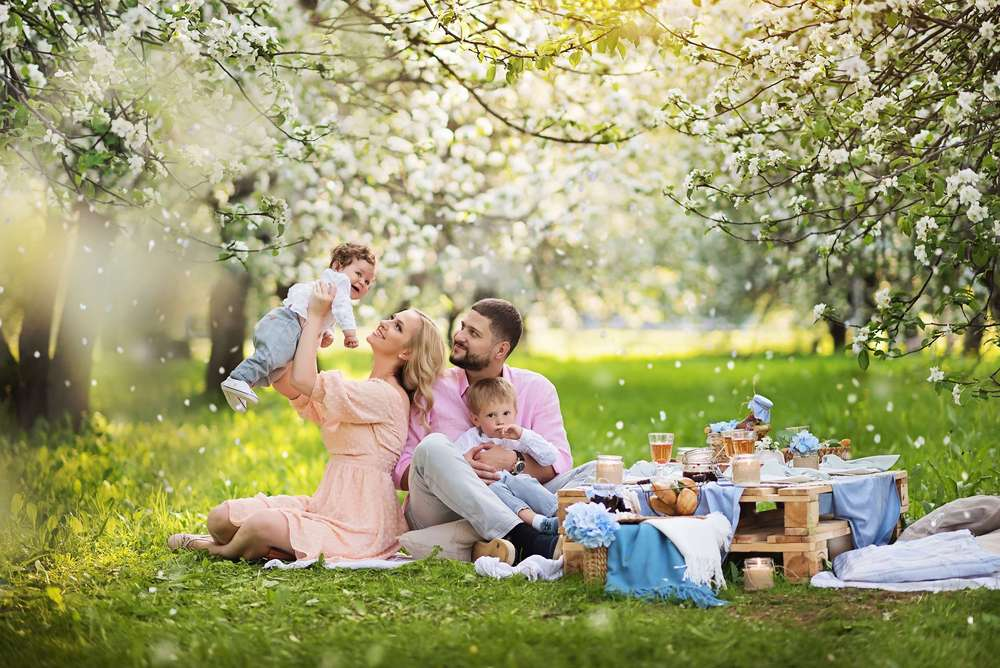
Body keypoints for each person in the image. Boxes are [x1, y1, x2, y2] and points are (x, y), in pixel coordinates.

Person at [168, 281, 446, 562]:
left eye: (398, 327)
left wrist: (315, 317)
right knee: (221, 519)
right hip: (325, 505)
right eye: (392, 319)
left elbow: (304, 380)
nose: (386, 324)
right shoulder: (365, 390)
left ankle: (219, 549)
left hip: (360, 524)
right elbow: (289, 383)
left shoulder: (385, 395)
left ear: (406, 353)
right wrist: (305, 331)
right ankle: (265, 544)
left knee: (258, 526)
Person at [395, 298, 594, 565]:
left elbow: (559, 462)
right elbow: (403, 469)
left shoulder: (536, 388)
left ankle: (485, 544)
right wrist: (455, 468)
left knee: (594, 471)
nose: (459, 336)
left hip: (515, 497)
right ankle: (525, 537)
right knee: (433, 446)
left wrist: (514, 462)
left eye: (473, 333)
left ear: (500, 349)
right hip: (445, 510)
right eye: (463, 327)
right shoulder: (432, 388)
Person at [221, 242, 376, 412]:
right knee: (270, 358)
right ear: (338, 266)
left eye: (368, 281)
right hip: (287, 323)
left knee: (276, 369)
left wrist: (326, 333)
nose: (362, 282)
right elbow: (342, 310)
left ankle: (241, 387)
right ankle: (238, 379)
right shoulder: (339, 283)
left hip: (288, 327)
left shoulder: (331, 288)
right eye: (358, 274)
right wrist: (350, 334)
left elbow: (322, 314)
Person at [453, 377, 560, 534]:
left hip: (524, 488)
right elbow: (452, 463)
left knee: (525, 482)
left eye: (506, 413)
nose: (500, 420)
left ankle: (560, 513)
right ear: (476, 419)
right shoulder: (471, 439)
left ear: (515, 413)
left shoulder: (516, 438)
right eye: (491, 415)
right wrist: (466, 461)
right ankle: (539, 522)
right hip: (495, 496)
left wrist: (523, 435)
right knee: (496, 490)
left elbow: (550, 457)